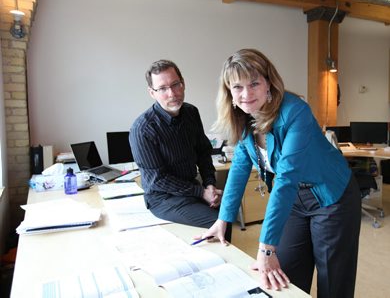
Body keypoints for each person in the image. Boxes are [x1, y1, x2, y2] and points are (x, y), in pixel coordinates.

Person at [198, 49, 361, 298]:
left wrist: (265, 248)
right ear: (229, 92)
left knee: (333, 282)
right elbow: (240, 167)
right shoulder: (243, 119)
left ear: (268, 84)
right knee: (285, 275)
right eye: (237, 87)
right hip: (295, 199)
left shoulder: (295, 112)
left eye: (254, 83)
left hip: (331, 197)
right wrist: (223, 219)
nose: (246, 94)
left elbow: (286, 178)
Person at [130, 59, 231, 241]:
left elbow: (203, 152)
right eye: (162, 89)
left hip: (192, 188)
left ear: (183, 83)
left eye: (175, 84)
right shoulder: (142, 129)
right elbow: (158, 180)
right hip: (164, 199)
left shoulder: (191, 113)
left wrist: (209, 185)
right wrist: (201, 192)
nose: (172, 93)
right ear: (152, 93)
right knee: (217, 220)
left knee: (229, 211)